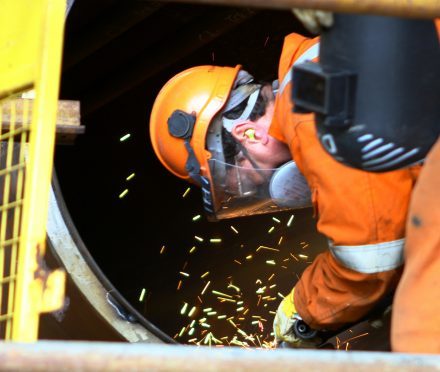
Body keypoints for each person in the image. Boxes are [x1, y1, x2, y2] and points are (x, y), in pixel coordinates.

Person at [149, 34, 418, 349]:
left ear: (247, 133)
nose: (260, 185)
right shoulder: (316, 70)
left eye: (245, 180)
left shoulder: (311, 119)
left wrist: (304, 312)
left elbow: (368, 257)